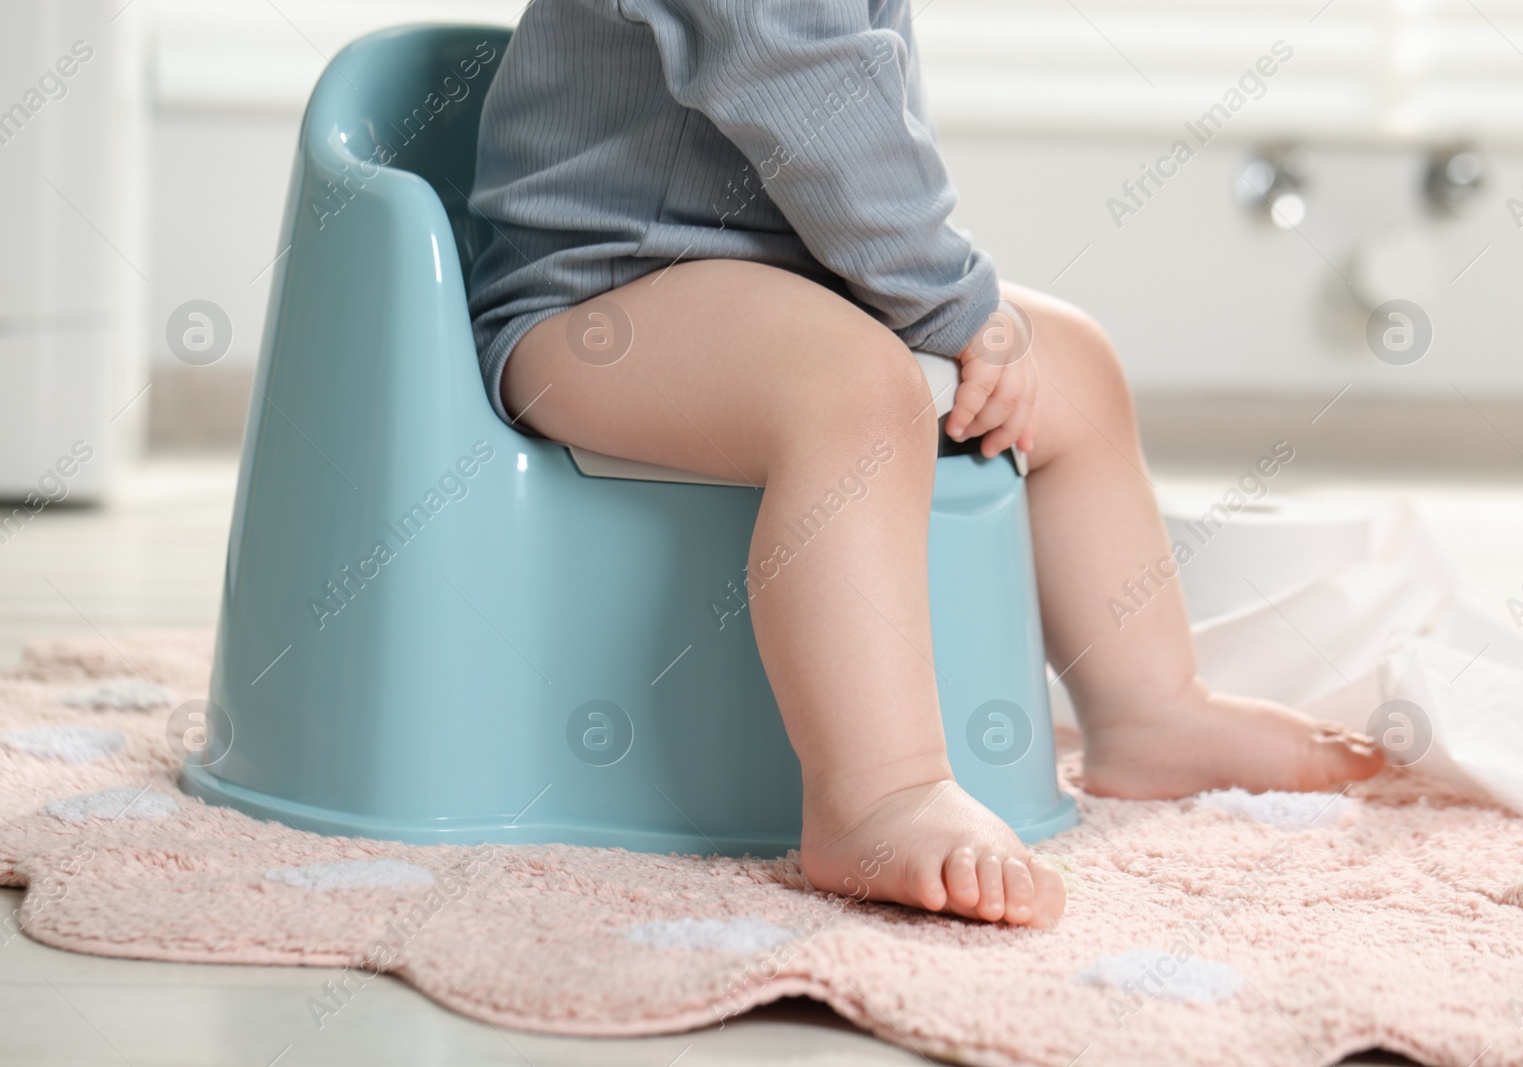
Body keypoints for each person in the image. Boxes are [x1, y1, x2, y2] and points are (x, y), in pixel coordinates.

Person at [468, 0, 1383, 929]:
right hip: (601, 296)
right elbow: (809, 96)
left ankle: (1151, 707)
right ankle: (878, 792)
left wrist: (945, 304)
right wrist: (951, 304)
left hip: (785, 281)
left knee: (1072, 366)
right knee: (858, 396)